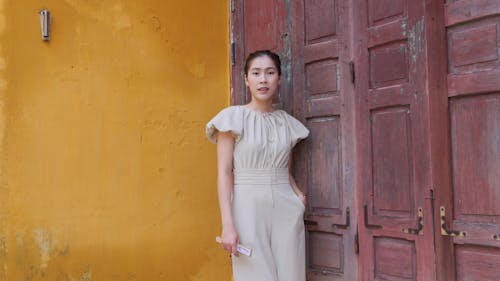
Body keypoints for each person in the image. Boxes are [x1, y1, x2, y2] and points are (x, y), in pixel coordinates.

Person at [205, 50, 309, 281]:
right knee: (254, 276)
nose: (263, 79)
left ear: (279, 78)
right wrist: (227, 225)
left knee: (291, 275)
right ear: (246, 79)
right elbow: (223, 172)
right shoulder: (232, 118)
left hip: (286, 206)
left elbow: (285, 167)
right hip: (247, 206)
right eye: (256, 73)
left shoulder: (287, 123)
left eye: (270, 73)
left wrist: (298, 196)